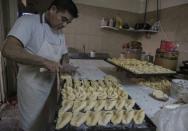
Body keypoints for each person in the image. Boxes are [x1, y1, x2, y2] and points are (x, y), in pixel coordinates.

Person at [2, 0, 78, 130]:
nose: (64, 24)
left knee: (50, 120)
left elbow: (64, 54)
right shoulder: (28, 22)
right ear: (53, 9)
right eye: (63, 19)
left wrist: (65, 64)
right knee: (32, 125)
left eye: (68, 22)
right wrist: (44, 61)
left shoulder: (59, 31)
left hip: (52, 86)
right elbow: (8, 49)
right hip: (32, 87)